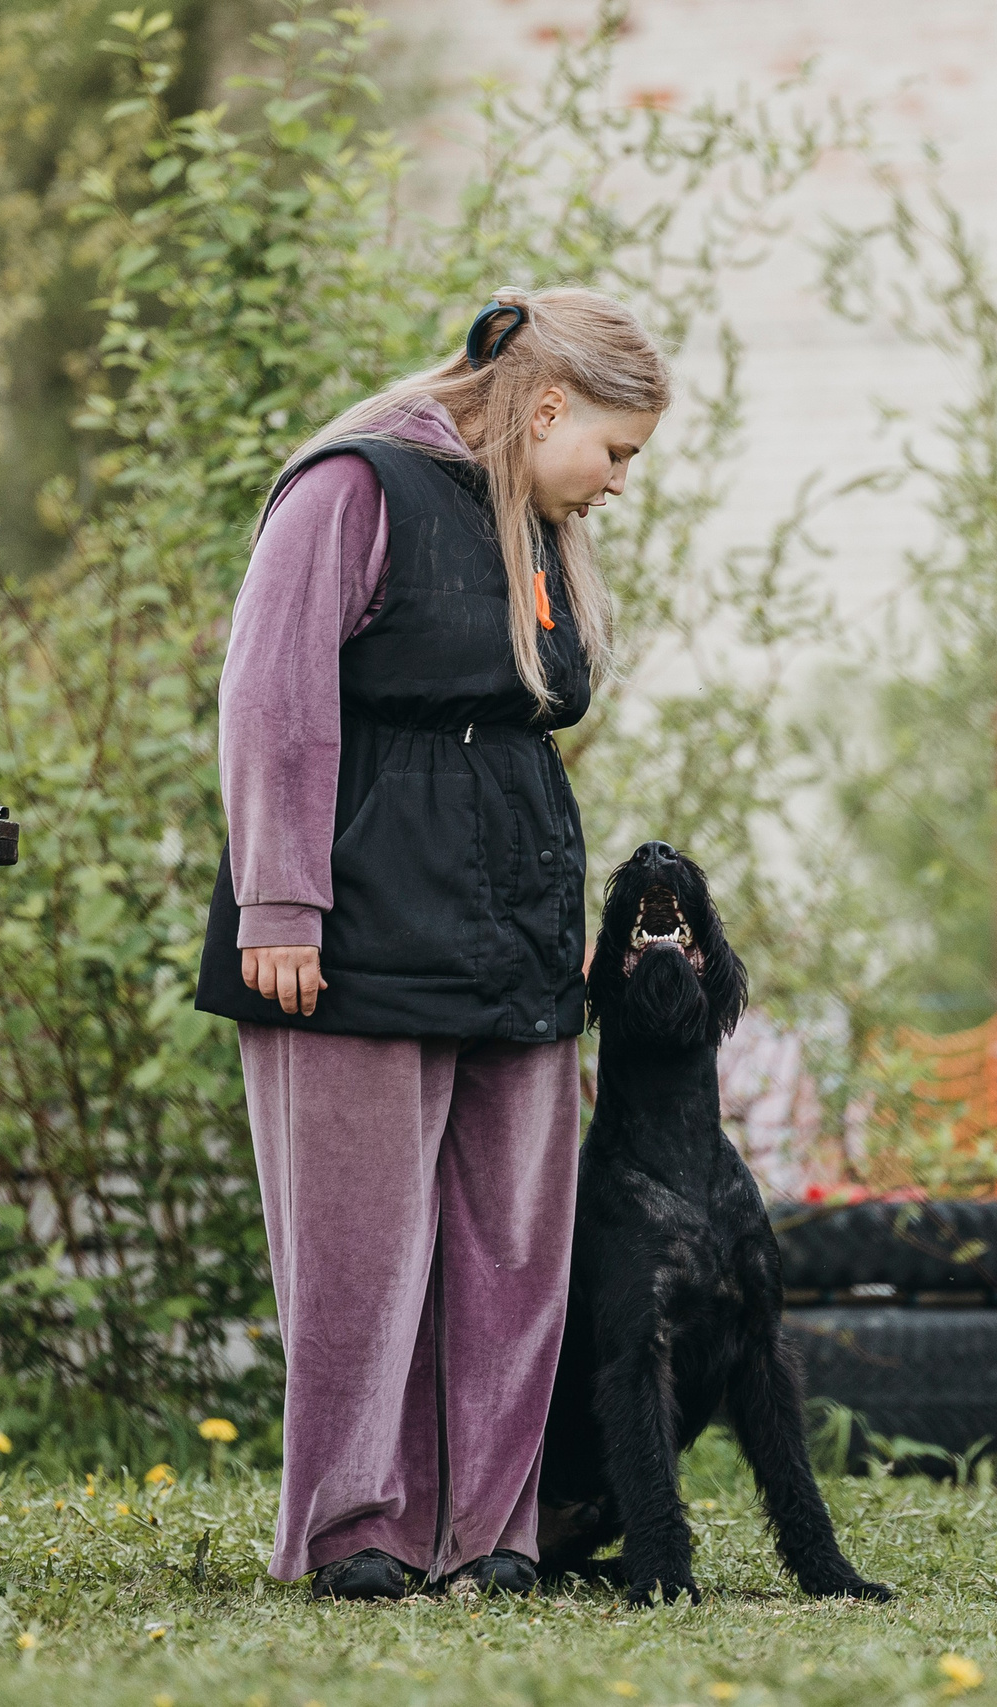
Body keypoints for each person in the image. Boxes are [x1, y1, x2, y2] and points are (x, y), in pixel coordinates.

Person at [196, 286, 668, 1600]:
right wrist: (280, 905)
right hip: (348, 922)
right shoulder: (354, 487)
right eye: (616, 451)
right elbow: (272, 697)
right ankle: (355, 1531)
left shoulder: (539, 530)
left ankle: (491, 1535)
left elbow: (511, 732)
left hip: (511, 925)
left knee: (513, 1246)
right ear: (548, 405)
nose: (620, 482)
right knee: (361, 1249)